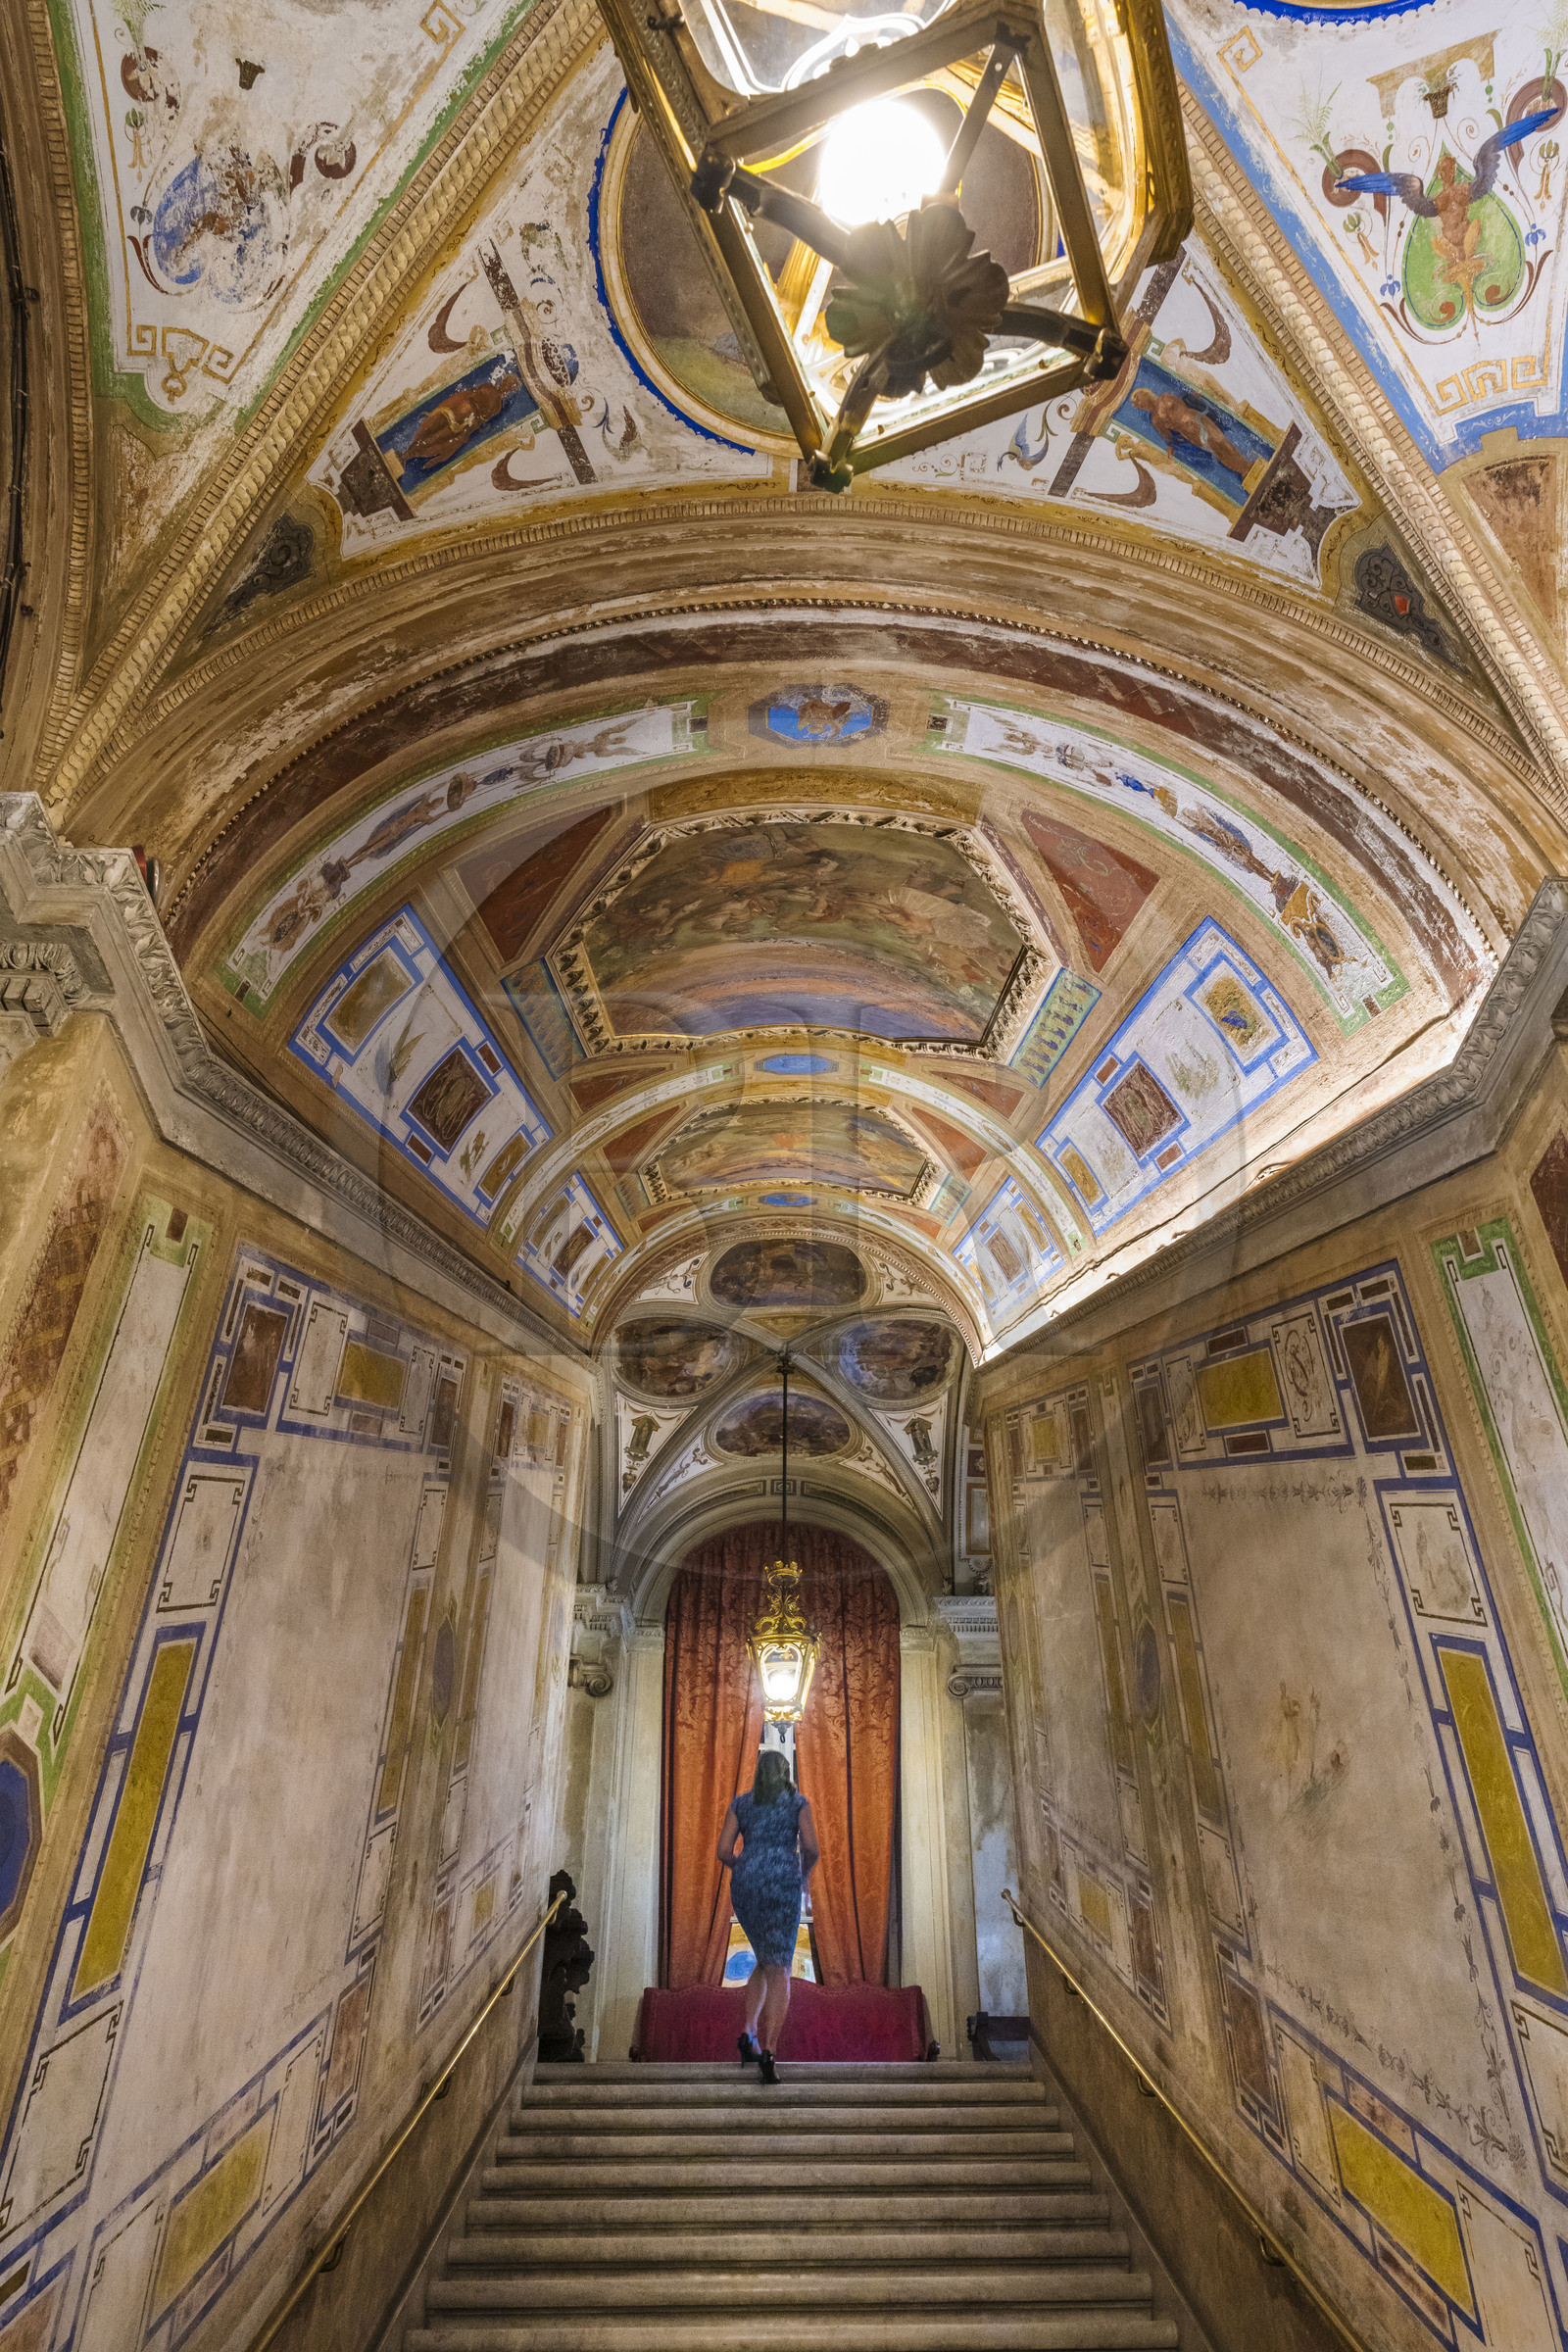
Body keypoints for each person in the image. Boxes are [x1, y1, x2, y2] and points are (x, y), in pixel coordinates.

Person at [716, 1748, 819, 2083]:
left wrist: (746, 1867)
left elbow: (723, 1851)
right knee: (780, 1968)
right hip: (781, 1885)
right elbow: (812, 1848)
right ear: (785, 1772)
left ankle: (749, 2034)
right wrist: (801, 1874)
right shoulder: (797, 1802)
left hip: (746, 1886)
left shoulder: (741, 1803)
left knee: (765, 1960)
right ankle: (770, 2052)